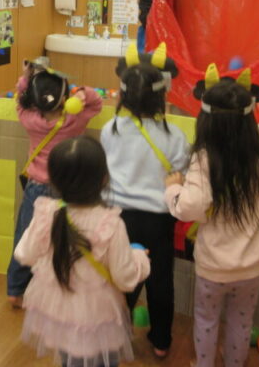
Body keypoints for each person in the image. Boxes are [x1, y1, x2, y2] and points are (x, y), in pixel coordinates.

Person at [163, 69, 259, 367]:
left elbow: (188, 208)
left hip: (213, 266)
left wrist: (173, 188)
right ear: (248, 119)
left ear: (206, 120)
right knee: (242, 322)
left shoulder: (203, 159)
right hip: (252, 264)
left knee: (206, 319)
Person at [15, 136, 151, 367]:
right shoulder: (110, 224)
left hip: (61, 311)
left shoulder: (47, 214)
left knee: (69, 357)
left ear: (53, 180)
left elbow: (24, 254)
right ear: (104, 178)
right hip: (98, 316)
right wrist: (139, 258)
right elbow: (125, 278)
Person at [100, 43, 189, 359]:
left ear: (123, 96)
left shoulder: (110, 130)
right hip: (159, 219)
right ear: (161, 97)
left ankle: (114, 335)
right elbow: (179, 176)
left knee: (120, 278)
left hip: (118, 217)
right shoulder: (175, 137)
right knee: (160, 281)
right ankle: (161, 341)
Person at [7, 60, 103, 307]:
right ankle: (59, 287)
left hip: (36, 189)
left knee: (26, 236)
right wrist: (81, 94)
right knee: (63, 240)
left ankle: (15, 290)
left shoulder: (29, 119)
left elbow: (19, 99)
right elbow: (96, 102)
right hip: (67, 190)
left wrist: (25, 77)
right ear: (64, 99)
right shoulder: (75, 120)